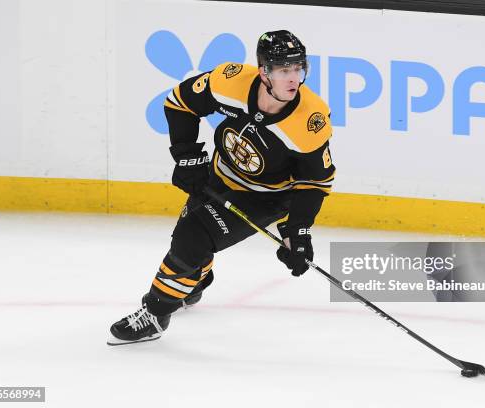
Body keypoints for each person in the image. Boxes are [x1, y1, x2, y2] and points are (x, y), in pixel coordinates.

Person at [107, 30, 335, 346]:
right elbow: (179, 102)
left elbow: (315, 182)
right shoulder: (230, 81)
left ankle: (155, 313)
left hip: (266, 197)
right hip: (218, 175)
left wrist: (297, 230)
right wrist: (188, 158)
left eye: (299, 68)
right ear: (264, 70)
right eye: (284, 70)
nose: (294, 78)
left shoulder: (310, 119)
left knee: (191, 237)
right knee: (187, 242)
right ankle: (195, 280)